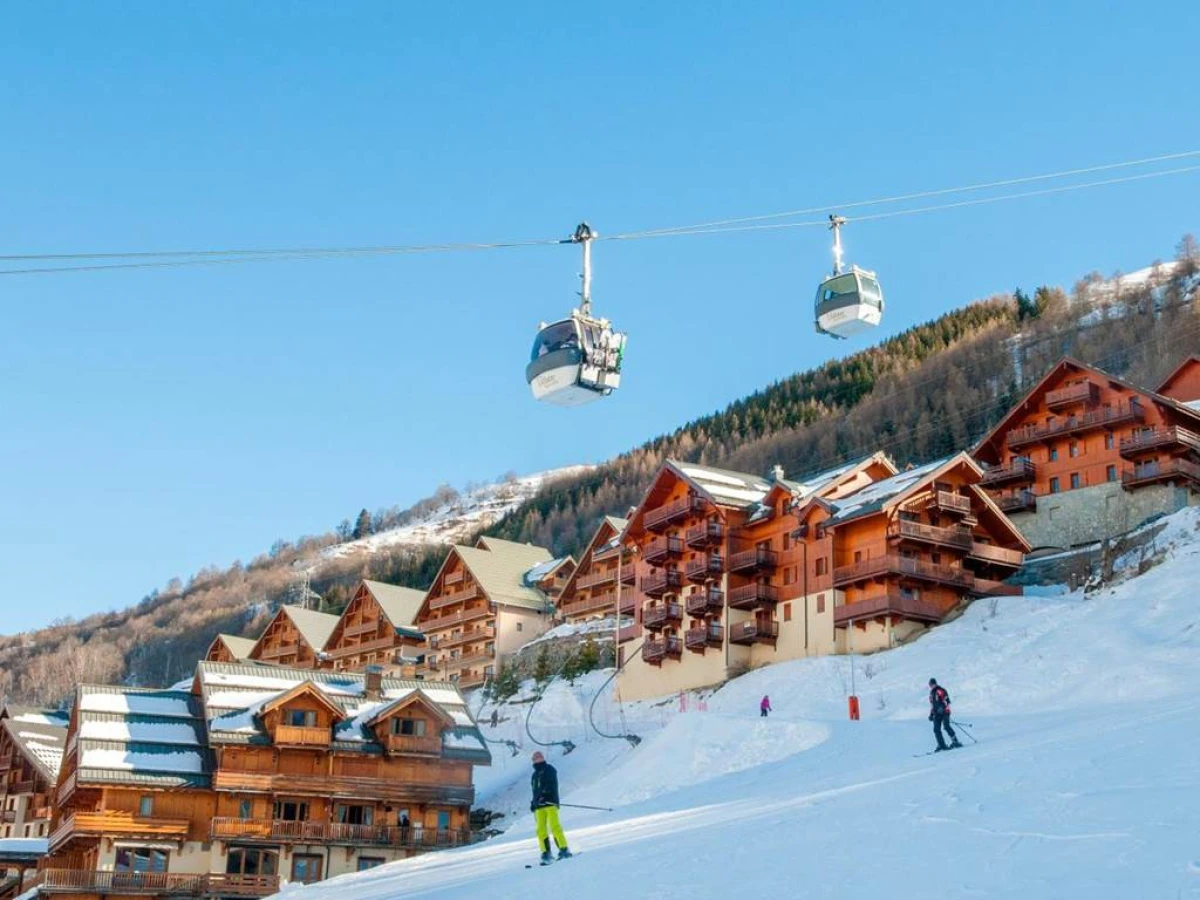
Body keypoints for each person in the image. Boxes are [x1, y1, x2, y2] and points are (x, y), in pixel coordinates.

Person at [530, 751, 571, 864]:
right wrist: (533, 802)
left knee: (554, 826)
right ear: (533, 760)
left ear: (543, 758)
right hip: (539, 806)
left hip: (550, 803)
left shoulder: (549, 769)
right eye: (536, 757)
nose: (538, 759)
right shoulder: (534, 775)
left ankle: (564, 849)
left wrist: (544, 795)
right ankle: (546, 853)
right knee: (540, 830)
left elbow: (551, 784)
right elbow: (535, 791)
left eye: (540, 757)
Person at [928, 678, 961, 752]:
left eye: (932, 684)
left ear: (935, 683)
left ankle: (955, 741)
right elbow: (932, 705)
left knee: (946, 726)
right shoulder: (931, 694)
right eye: (930, 685)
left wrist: (942, 708)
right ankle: (941, 744)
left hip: (945, 712)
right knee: (936, 729)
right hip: (937, 714)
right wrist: (931, 714)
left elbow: (947, 700)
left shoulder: (940, 690)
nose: (931, 686)